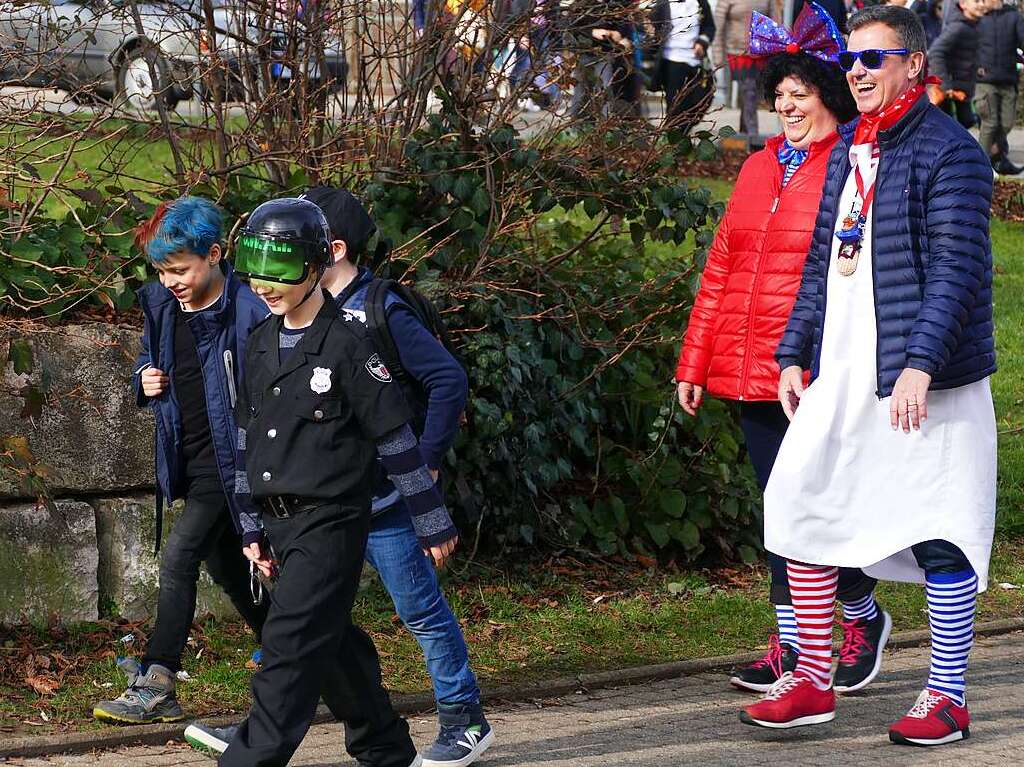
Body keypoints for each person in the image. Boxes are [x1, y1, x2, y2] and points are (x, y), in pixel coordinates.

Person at [743, 5, 996, 747]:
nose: (855, 70)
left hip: (929, 380)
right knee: (800, 501)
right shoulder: (854, 143)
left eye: (873, 59)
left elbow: (957, 269)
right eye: (850, 59)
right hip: (847, 374)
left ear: (914, 65)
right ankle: (813, 679)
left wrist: (921, 363)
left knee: (938, 530)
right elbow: (827, 260)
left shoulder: (950, 152)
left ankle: (947, 695)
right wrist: (794, 348)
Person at [676, 2, 889, 697]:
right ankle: (795, 645)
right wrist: (695, 360)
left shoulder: (852, 168)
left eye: (799, 95)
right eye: (778, 98)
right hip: (748, 367)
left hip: (816, 369)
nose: (786, 108)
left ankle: (858, 614)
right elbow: (721, 269)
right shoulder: (759, 168)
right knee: (781, 510)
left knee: (820, 507)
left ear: (827, 95)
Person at [213, 198, 459, 767]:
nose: (265, 285)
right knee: (332, 643)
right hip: (279, 524)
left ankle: (249, 759)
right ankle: (385, 749)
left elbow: (393, 439)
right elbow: (247, 441)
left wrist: (429, 517)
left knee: (288, 649)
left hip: (333, 522)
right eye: (254, 268)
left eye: (282, 269)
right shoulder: (258, 343)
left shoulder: (350, 345)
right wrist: (250, 525)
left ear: (318, 263)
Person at [301, 186, 494, 767]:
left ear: (332, 249)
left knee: (421, 612)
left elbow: (446, 379)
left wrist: (427, 460)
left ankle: (464, 720)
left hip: (386, 499)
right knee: (301, 615)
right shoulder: (297, 312)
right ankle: (266, 723)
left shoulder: (380, 307)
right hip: (327, 499)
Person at [93, 197, 270, 725]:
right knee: (226, 568)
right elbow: (153, 357)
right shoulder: (161, 305)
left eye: (180, 269)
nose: (170, 280)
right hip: (187, 457)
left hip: (233, 462)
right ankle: (300, 656)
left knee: (178, 559)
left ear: (214, 254)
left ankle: (159, 679)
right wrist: (143, 379)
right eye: (162, 270)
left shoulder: (246, 310)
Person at [567, 0, 641, 121]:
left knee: (605, 91)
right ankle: (576, 124)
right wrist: (592, 32)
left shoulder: (613, 5)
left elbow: (622, 25)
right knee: (580, 91)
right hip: (583, 54)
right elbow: (571, 27)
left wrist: (616, 33)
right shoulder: (580, 4)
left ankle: (603, 125)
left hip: (605, 54)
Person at [974, 0, 1024, 174]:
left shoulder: (1014, 16)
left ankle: (995, 154)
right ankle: (979, 167)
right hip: (984, 80)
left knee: (1007, 123)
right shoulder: (978, 17)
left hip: (1008, 79)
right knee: (990, 122)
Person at [651, 0, 717, 132]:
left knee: (704, 96)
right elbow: (653, 29)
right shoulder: (662, 4)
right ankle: (675, 139)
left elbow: (710, 26)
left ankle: (681, 131)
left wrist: (702, 42)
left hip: (695, 61)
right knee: (676, 106)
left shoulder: (700, 2)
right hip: (672, 61)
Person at [713, 0, 775, 136]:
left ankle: (744, 134)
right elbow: (718, 28)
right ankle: (752, 135)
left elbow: (774, 22)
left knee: (750, 94)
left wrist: (776, 50)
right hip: (738, 52)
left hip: (760, 52)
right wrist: (718, 55)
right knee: (749, 91)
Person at [927, 0, 989, 129]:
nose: (981, 5)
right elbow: (935, 52)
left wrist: (980, 67)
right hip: (949, 88)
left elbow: (970, 53)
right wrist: (944, 83)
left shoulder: (975, 26)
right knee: (950, 125)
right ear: (963, 4)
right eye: (976, 1)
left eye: (983, 1)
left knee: (965, 122)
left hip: (963, 87)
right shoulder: (957, 27)